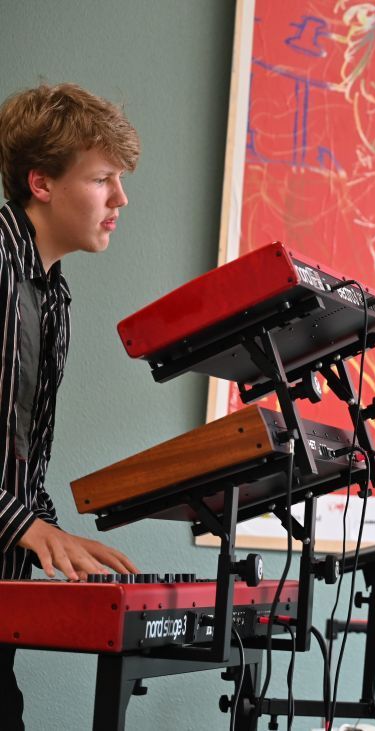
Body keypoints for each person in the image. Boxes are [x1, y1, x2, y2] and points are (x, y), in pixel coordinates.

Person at [0, 82, 141, 728]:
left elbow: (19, 464)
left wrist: (55, 541)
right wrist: (26, 526)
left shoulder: (53, 296)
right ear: (42, 183)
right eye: (102, 179)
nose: (120, 199)